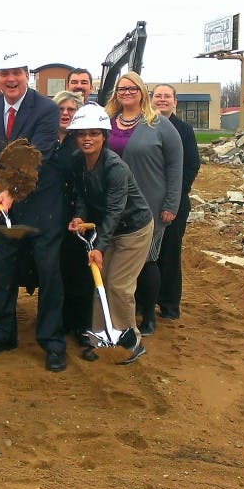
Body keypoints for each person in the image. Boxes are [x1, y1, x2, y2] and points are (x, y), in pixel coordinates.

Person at [0, 51, 67, 372]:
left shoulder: (46, 109)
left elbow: (36, 156)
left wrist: (9, 191)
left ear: (27, 75)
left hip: (42, 205)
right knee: (4, 270)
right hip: (4, 206)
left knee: (49, 273)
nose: (10, 79)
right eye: (4, 73)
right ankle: (4, 333)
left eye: (17, 72)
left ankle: (52, 341)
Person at [66, 103, 152, 364]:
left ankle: (131, 342)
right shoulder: (77, 161)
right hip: (109, 228)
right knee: (100, 282)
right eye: (82, 134)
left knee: (118, 285)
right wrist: (80, 217)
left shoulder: (115, 167)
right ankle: (101, 339)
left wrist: (99, 248)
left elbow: (116, 210)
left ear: (104, 136)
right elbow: (81, 194)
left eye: (94, 133)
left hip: (133, 229)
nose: (87, 139)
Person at [104, 72, 183, 337]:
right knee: (115, 259)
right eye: (122, 89)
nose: (126, 93)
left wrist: (171, 204)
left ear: (142, 93)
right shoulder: (107, 121)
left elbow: (175, 166)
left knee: (147, 260)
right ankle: (116, 312)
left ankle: (148, 315)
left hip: (149, 203)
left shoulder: (159, 124)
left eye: (132, 89)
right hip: (112, 204)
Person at [151, 84, 201, 320]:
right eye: (158, 96)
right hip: (147, 201)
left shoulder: (184, 130)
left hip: (174, 204)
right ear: (151, 100)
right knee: (145, 257)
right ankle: (144, 302)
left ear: (175, 102)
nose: (162, 100)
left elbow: (191, 165)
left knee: (169, 255)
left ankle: (169, 305)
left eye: (167, 96)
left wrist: (174, 195)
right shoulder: (144, 126)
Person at [52, 90, 94, 344]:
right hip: (48, 216)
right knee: (53, 271)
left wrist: (79, 215)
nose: (65, 113)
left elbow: (82, 186)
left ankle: (81, 325)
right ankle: (58, 322)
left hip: (75, 216)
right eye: (61, 109)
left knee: (78, 271)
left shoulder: (81, 142)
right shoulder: (44, 138)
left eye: (71, 110)